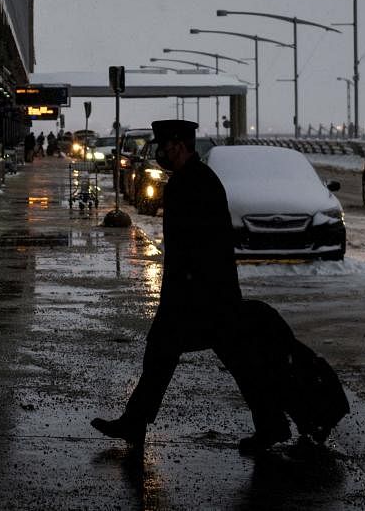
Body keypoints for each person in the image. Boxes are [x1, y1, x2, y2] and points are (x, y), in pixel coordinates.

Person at [90, 119, 291, 453]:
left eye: (163, 147)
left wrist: (186, 290)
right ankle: (136, 422)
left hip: (202, 294)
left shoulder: (195, 183)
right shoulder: (190, 180)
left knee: (191, 355)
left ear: (179, 146)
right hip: (204, 293)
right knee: (213, 357)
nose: (159, 153)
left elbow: (205, 242)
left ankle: (136, 422)